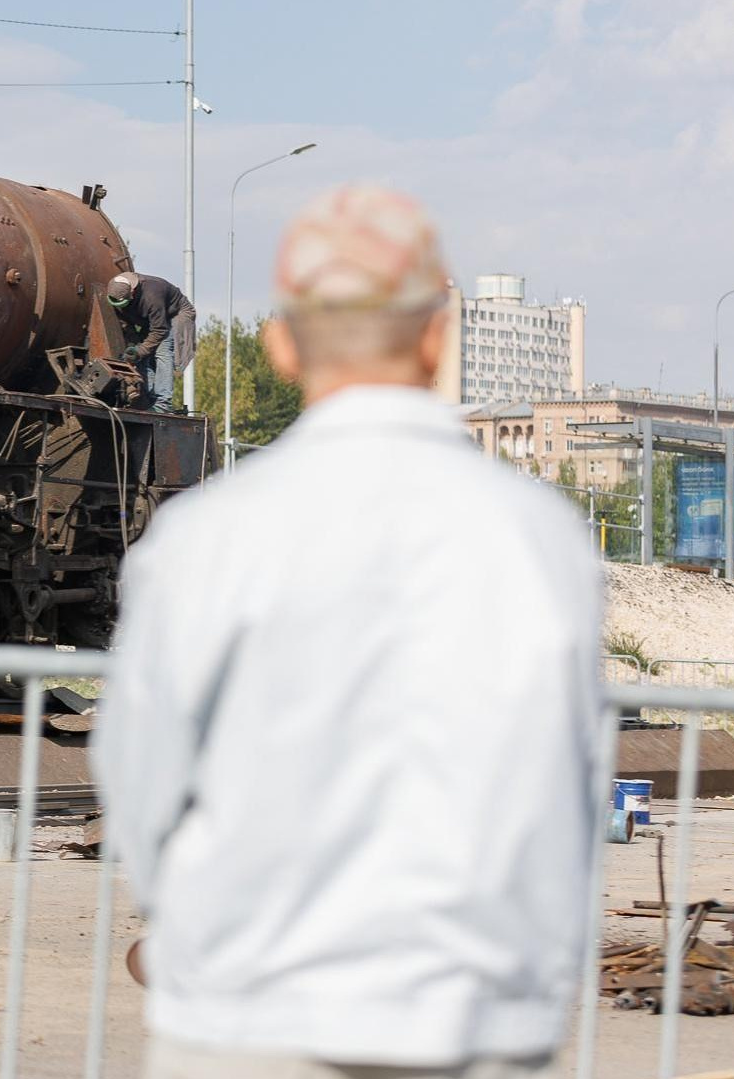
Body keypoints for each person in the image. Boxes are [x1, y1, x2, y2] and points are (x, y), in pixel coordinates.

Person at [95, 185, 602, 1079]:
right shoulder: (539, 537)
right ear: (439, 336)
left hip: (246, 1009)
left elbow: (142, 775)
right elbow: (564, 782)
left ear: (281, 345)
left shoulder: (206, 537)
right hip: (464, 1014)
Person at [107, 271, 196, 413]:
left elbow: (160, 330)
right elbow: (126, 324)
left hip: (176, 314)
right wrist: (134, 347)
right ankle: (148, 398)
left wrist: (141, 350)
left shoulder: (152, 295)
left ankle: (162, 403)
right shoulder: (115, 292)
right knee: (141, 355)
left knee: (162, 350)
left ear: (133, 292)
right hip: (153, 320)